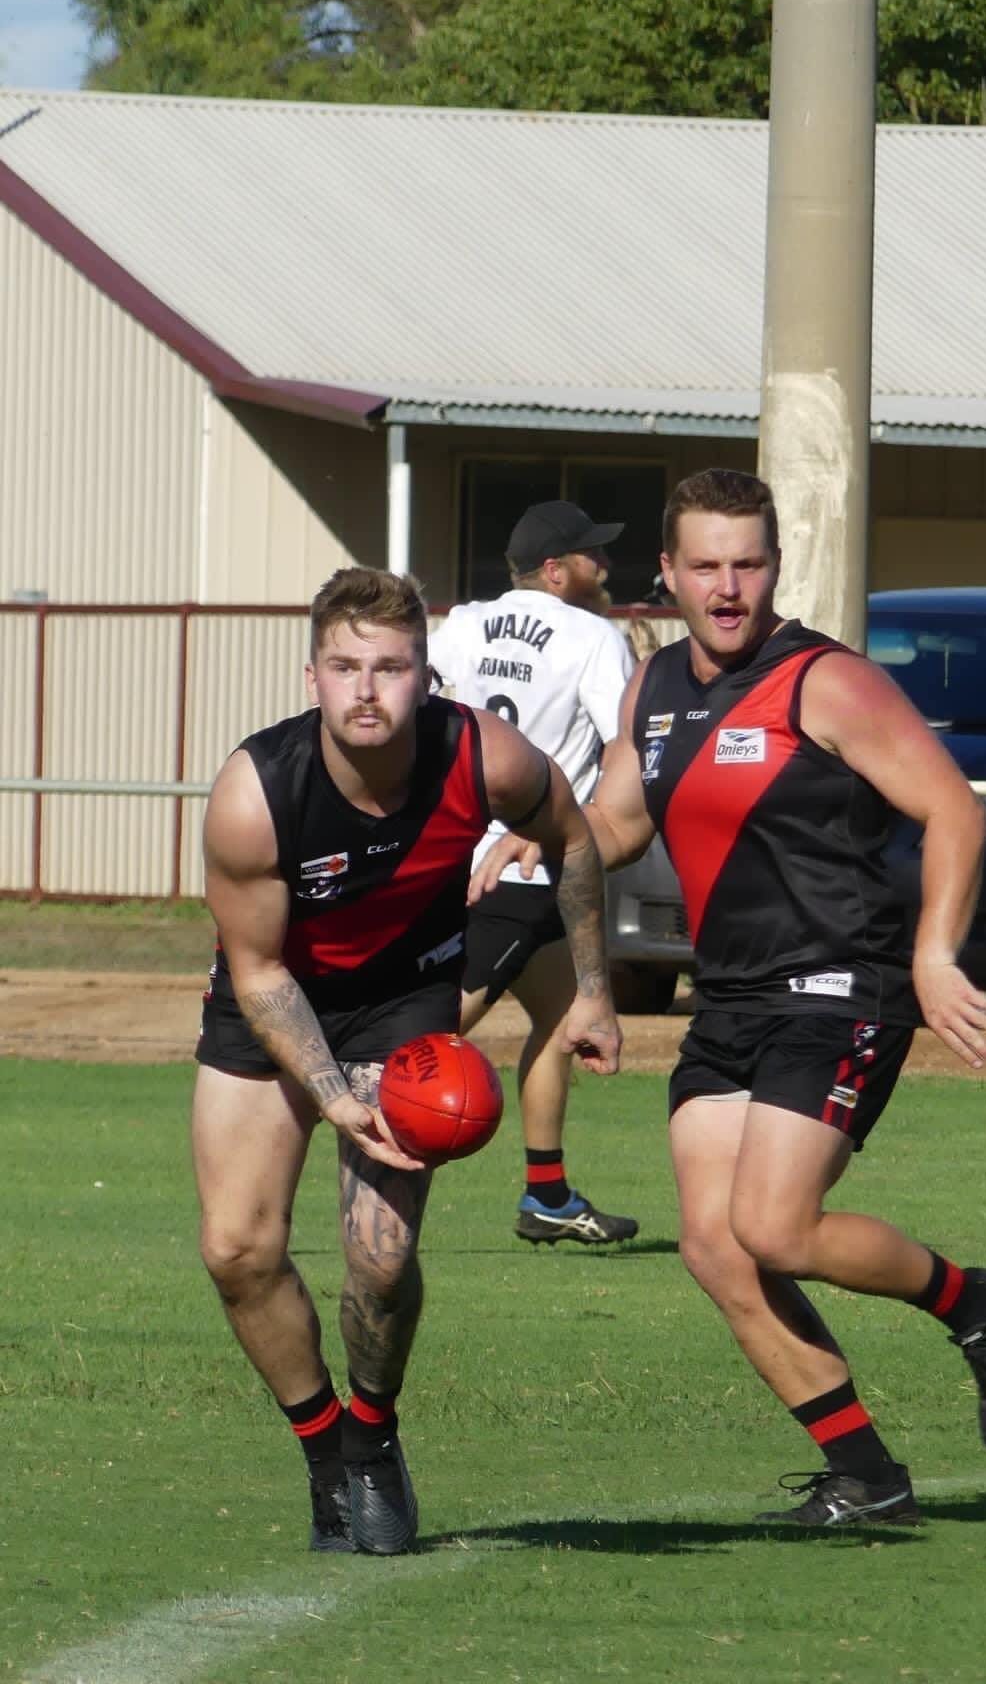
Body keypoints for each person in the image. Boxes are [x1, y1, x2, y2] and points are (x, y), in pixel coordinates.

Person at [482, 467, 986, 1529]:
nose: (728, 586)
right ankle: (866, 1476)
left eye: (748, 563)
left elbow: (953, 809)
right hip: (730, 994)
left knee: (776, 1228)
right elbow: (620, 823)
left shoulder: (823, 683)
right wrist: (548, 840)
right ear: (668, 573)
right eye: (706, 565)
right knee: (714, 1246)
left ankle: (978, 1300)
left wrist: (933, 955)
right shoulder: (649, 688)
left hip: (843, 984)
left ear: (776, 568)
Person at [194, 566, 620, 1556]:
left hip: (405, 1000)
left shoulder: (484, 754)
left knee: (379, 1260)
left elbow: (575, 836)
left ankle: (375, 1433)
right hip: (278, 999)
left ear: (426, 674)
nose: (368, 690)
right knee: (237, 1249)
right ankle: (326, 1457)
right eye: (346, 666)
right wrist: (330, 1092)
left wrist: (593, 988)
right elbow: (258, 974)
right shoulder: (256, 794)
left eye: (391, 667)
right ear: (314, 677)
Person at [429, 500, 640, 1247]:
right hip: (524, 871)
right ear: (556, 570)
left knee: (561, 1020)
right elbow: (627, 750)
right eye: (593, 555)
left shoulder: (460, 624)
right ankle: (300, 1127)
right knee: (419, 1041)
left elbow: (427, 717)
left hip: (457, 857)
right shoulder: (591, 636)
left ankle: (546, 1196)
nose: (606, 567)